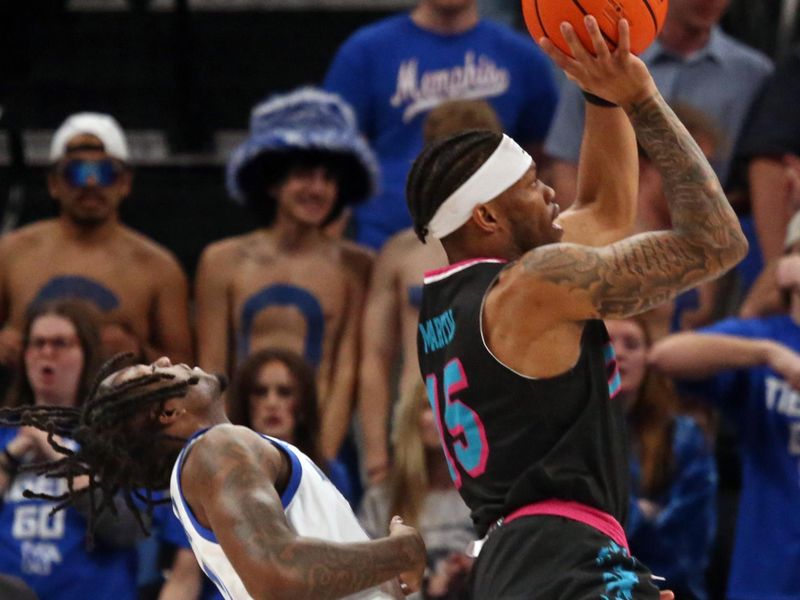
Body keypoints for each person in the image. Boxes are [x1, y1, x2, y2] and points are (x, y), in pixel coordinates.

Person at [406, 16, 747, 598]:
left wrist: (600, 86)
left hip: (519, 559)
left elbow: (606, 212)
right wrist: (642, 97)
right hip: (558, 555)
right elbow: (717, 242)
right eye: (532, 185)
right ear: (487, 217)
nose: (551, 195)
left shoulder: (450, 304)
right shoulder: (533, 284)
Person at [0, 354, 427, 600]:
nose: (165, 359)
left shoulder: (205, 469)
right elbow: (279, 576)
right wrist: (401, 552)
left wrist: (377, 578)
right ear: (167, 413)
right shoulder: (217, 450)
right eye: (153, 373)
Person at [196, 88, 376, 459]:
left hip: (323, 451)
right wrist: (228, 452)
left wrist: (316, 463)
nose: (318, 189)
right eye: (304, 176)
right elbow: (212, 371)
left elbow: (345, 375)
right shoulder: (221, 261)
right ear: (272, 181)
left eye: (329, 178)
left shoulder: (356, 266)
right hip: (237, 449)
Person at [324, 0, 559, 249]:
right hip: (383, 241)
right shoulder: (364, 52)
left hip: (493, 239)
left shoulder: (523, 57)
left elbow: (545, 164)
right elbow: (335, 164)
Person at [649, 213, 800, 600]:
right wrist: (768, 354)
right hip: (770, 576)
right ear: (788, 267)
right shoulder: (766, 338)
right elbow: (667, 356)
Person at [358, 99, 499, 484]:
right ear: (428, 161)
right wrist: (375, 457)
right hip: (416, 421)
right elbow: (374, 359)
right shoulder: (400, 254)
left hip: (497, 419)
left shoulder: (515, 250)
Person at [0, 112, 193, 369]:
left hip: (120, 405)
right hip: (26, 406)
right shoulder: (11, 253)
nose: (90, 183)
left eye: (104, 172)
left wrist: (138, 352)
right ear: (54, 183)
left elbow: (187, 373)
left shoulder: (158, 268)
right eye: (76, 172)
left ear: (125, 182)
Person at [544, 0, 772, 207]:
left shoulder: (754, 74)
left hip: (706, 226)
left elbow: (759, 177)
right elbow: (566, 162)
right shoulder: (602, 56)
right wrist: (587, 236)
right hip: (610, 221)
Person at [0, 300, 143, 600]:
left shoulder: (113, 441)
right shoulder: (4, 438)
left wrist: (55, 451)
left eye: (60, 343)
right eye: (37, 343)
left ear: (85, 356)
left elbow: (123, 530)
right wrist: (13, 453)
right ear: (25, 356)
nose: (46, 353)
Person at [606, 318, 717, 600]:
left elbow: (687, 543)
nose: (619, 353)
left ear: (648, 359)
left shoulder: (683, 435)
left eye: (632, 344)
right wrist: (643, 512)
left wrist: (626, 516)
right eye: (606, 344)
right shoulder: (565, 434)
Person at [359, 382, 476, 600]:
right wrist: (427, 588)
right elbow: (364, 582)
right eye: (429, 407)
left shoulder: (483, 495)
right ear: (412, 419)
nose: (441, 416)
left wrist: (473, 571)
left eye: (449, 406)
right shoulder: (382, 500)